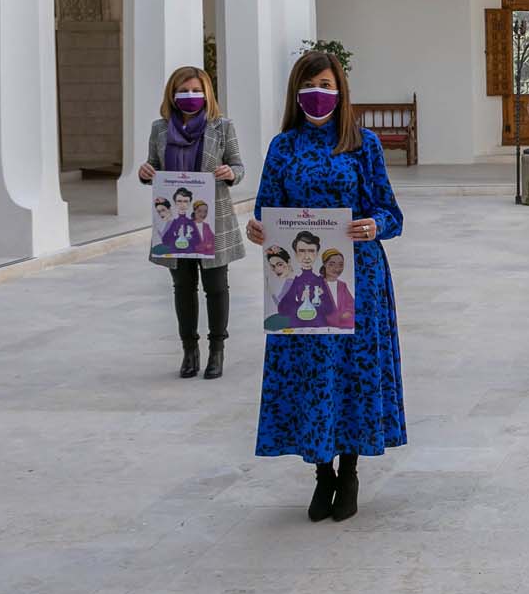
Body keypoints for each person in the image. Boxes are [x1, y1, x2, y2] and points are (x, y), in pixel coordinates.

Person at [246, 49, 406, 523]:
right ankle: (323, 473)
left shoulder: (363, 144)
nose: (319, 94)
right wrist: (259, 230)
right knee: (309, 377)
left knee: (353, 375)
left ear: (341, 91)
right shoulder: (284, 147)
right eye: (311, 85)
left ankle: (351, 470)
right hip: (300, 286)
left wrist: (372, 226)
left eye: (327, 85)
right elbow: (266, 210)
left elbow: (391, 214)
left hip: (357, 281)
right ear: (298, 92)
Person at [138, 66, 245, 380]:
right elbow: (153, 167)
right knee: (182, 287)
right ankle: (189, 349)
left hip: (212, 220)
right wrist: (145, 174)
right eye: (182, 91)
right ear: (172, 95)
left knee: (215, 286)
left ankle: (217, 350)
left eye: (195, 90)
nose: (189, 96)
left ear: (207, 94)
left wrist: (231, 173)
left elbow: (238, 165)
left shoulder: (221, 126)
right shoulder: (160, 129)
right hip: (174, 225)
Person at [321, 248, 356, 331]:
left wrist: (348, 312)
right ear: (324, 264)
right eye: (331, 264)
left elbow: (351, 303)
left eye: (340, 265)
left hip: (342, 324)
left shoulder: (342, 285)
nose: (337, 268)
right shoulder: (317, 284)